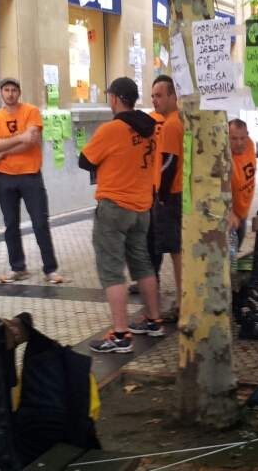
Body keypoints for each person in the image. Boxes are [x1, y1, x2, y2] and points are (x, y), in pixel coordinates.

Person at [79, 77, 163, 353]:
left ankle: (120, 334)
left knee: (112, 270)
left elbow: (85, 160)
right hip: (142, 207)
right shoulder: (150, 128)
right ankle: (154, 320)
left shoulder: (111, 129)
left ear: (115, 98)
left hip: (115, 207)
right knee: (143, 264)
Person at [0, 77, 63, 284]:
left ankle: (50, 269)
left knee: (40, 223)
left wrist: (3, 152)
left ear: (19, 93)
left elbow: (30, 141)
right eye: (6, 90)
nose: (10, 94)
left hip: (30, 175)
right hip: (5, 177)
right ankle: (18, 268)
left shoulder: (31, 111)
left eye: (14, 90)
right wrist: (19, 138)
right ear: (1, 93)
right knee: (11, 225)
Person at [149, 75, 184, 318]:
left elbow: (169, 162)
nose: (155, 100)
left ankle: (182, 302)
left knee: (176, 251)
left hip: (172, 195)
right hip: (176, 193)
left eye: (159, 95)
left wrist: (161, 195)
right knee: (177, 250)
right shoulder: (177, 120)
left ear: (173, 96)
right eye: (152, 96)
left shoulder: (171, 124)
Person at [228, 119, 257, 251]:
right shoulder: (223, 158)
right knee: (228, 256)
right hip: (230, 216)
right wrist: (229, 212)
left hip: (243, 212)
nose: (239, 143)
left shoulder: (250, 144)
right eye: (233, 138)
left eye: (242, 138)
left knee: (235, 252)